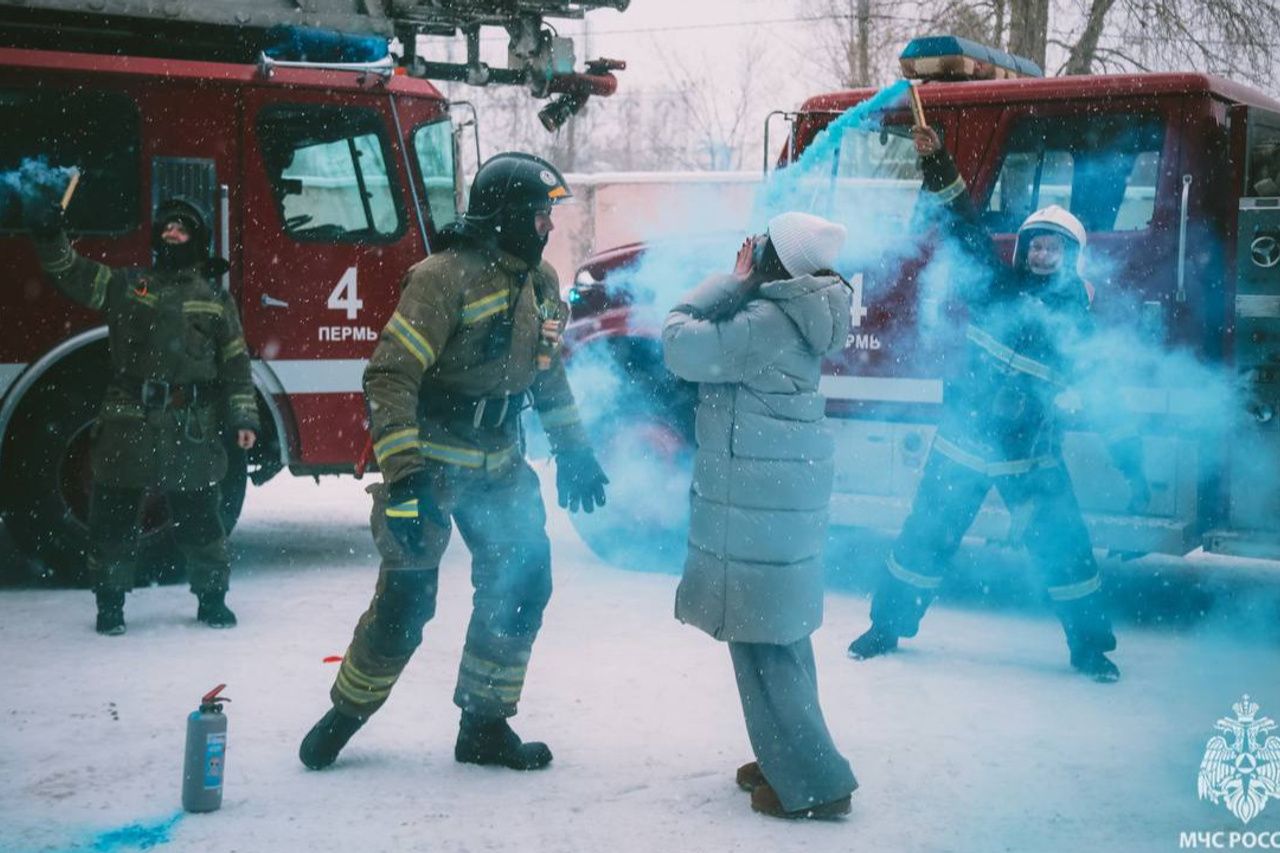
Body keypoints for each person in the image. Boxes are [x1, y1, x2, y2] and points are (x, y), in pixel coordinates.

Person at [299, 152, 609, 772]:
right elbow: (390, 376)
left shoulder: (542, 283)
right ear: (506, 217)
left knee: (523, 585)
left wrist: (574, 448)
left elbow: (546, 375)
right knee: (407, 601)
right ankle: (347, 713)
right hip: (432, 467)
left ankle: (485, 728)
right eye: (541, 215)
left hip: (502, 466)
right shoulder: (443, 278)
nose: (549, 227)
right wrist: (406, 478)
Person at [845, 126, 1148, 682]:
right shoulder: (993, 288)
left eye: (1053, 247)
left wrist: (1132, 465)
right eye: (1035, 244)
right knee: (922, 540)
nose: (1041, 254)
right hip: (961, 446)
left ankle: (1090, 649)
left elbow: (1107, 398)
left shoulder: (1075, 323)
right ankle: (885, 627)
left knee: (1065, 553)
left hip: (1030, 458)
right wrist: (937, 163)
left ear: (1071, 257)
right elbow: (964, 225)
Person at [662, 211, 858, 820]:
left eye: (761, 247)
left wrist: (730, 280)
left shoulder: (764, 319)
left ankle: (816, 783)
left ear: (775, 259)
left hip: (757, 504)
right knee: (777, 636)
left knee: (763, 642)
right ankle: (785, 755)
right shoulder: (798, 311)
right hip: (774, 501)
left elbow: (677, 342)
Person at [25, 196, 259, 635]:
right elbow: (70, 272)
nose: (172, 232)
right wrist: (49, 235)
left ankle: (212, 599)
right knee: (112, 515)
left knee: (201, 518)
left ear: (197, 241)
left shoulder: (214, 299)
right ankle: (109, 604)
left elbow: (235, 366)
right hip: (126, 421)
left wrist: (245, 419)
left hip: (189, 424)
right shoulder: (129, 285)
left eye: (182, 228)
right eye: (167, 226)